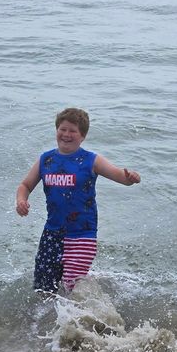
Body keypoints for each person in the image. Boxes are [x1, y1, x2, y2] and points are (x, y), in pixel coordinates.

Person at [16, 107, 141, 293]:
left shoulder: (91, 160)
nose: (66, 134)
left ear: (82, 136)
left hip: (82, 235)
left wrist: (131, 178)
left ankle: (82, 310)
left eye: (73, 131)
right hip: (52, 232)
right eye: (62, 129)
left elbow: (120, 177)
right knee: (43, 288)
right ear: (56, 130)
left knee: (71, 287)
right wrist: (21, 201)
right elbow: (25, 185)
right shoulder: (46, 160)